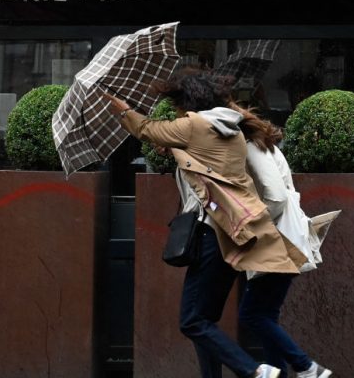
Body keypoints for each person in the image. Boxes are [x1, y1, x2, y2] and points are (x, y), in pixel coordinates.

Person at [104, 68, 307, 378]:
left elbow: (146, 129)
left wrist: (125, 111)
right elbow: (206, 160)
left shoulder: (194, 124)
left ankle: (254, 371)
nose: (174, 112)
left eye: (175, 106)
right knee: (205, 321)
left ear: (187, 102)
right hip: (230, 234)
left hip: (211, 234)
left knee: (192, 321)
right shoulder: (229, 128)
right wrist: (174, 147)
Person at [231, 105, 332, 378]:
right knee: (266, 315)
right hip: (282, 240)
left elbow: (276, 196)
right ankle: (284, 372)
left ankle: (306, 366)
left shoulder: (253, 147)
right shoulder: (265, 146)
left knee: (252, 315)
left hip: (275, 242)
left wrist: (252, 224)